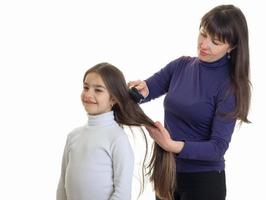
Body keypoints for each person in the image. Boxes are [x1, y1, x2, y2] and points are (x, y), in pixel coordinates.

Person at [129, 4, 251, 200]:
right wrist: (138, 90)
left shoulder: (230, 87)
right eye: (203, 34)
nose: (204, 45)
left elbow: (218, 147)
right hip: (167, 174)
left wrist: (172, 145)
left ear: (232, 47)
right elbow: (148, 89)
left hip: (204, 183)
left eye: (216, 41)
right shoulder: (181, 66)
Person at [56, 63, 156, 200]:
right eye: (86, 87)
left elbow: (122, 193)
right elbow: (63, 183)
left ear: (113, 99)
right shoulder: (73, 136)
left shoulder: (117, 139)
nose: (88, 94)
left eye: (98, 90)